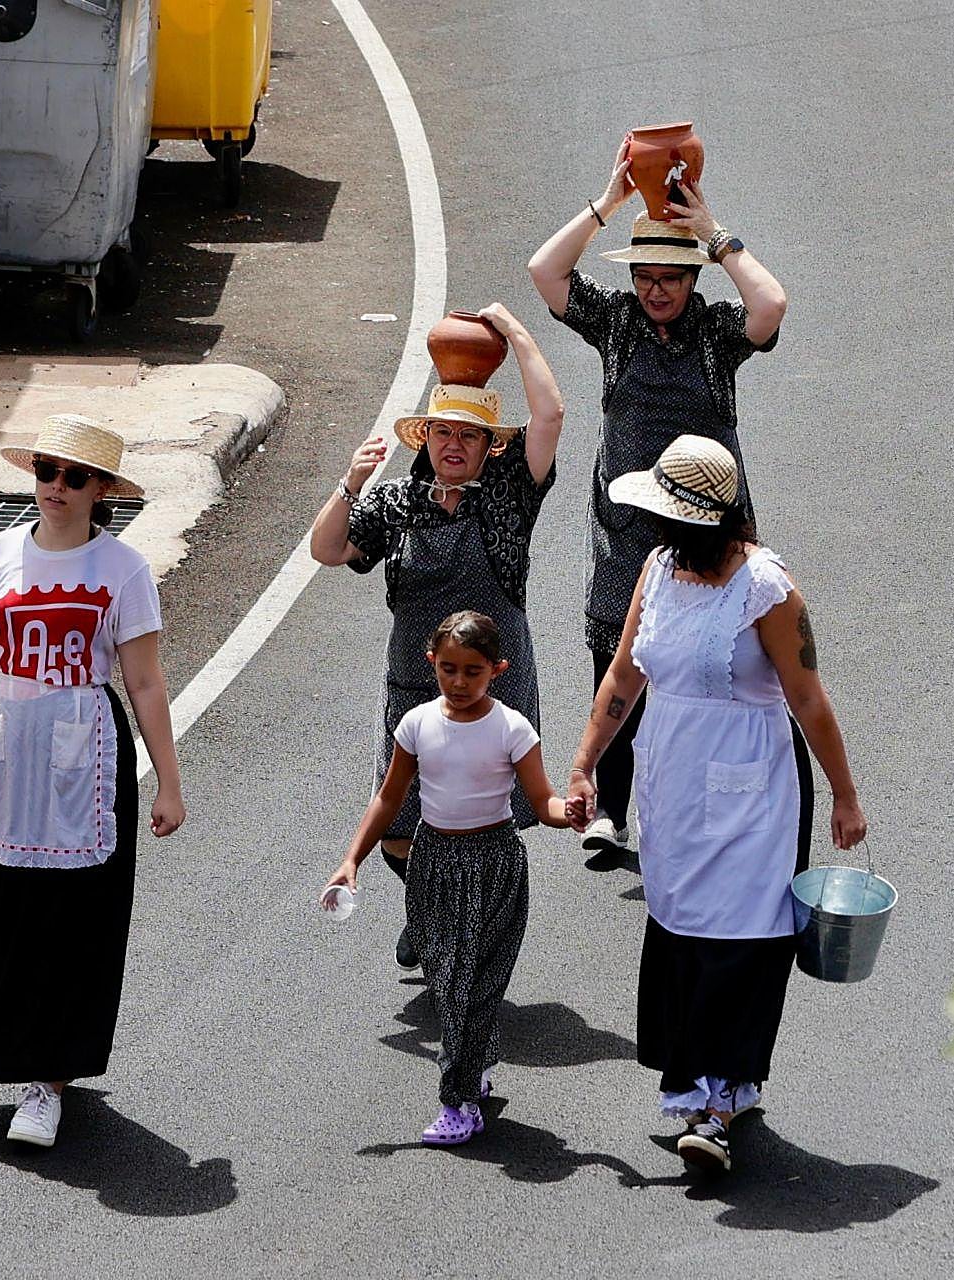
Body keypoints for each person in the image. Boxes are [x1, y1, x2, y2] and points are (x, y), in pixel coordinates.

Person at [564, 435, 868, 1175]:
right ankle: (721, 1084)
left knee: (745, 932)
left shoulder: (767, 588)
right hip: (673, 776)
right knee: (682, 921)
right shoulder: (658, 570)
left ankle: (713, 1101)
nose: (655, 530)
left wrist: (844, 794)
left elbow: (808, 700)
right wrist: (583, 767)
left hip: (753, 782)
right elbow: (624, 678)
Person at [529, 145, 805, 869]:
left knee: (719, 656)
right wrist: (608, 202)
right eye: (645, 277)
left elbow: (770, 304)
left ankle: (723, 797)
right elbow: (545, 271)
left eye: (670, 279)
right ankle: (611, 810)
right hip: (626, 521)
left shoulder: (716, 333)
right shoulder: (616, 323)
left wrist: (718, 237)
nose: (655, 291)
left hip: (710, 517)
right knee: (614, 657)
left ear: (692, 279)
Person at [0, 414, 185, 1149]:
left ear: (101, 489)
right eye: (47, 471)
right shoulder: (1, 553)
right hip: (1, 753)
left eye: (75, 477)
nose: (56, 488)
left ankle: (47, 1078)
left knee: (72, 918)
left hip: (82, 761)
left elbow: (144, 682)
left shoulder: (122, 571)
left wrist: (169, 781)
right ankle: (15, 1040)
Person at [308, 303, 563, 970]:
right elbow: (327, 551)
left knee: (484, 826)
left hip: (495, 692)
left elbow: (552, 416)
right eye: (443, 433)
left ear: (489, 447)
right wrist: (350, 483)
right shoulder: (394, 503)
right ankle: (427, 910)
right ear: (425, 440)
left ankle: (464, 944)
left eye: (469, 436)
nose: (454, 445)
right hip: (413, 689)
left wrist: (514, 332)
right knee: (398, 832)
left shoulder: (509, 497)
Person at [325, 611, 572, 1146]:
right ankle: (475, 1061)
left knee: (478, 985)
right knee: (448, 984)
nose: (459, 683)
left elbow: (541, 800)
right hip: (433, 865)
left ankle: (458, 1101)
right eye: (449, 670)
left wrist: (568, 812)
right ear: (431, 664)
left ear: (497, 670)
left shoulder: (512, 728)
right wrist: (352, 861)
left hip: (496, 866)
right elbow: (390, 797)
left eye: (473, 672)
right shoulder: (416, 725)